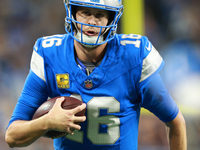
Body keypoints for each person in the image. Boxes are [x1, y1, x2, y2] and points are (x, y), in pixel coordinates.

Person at [5, 0, 186, 149]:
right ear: (72, 12)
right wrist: (46, 122)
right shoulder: (50, 55)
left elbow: (174, 121)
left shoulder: (133, 57)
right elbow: (13, 136)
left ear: (111, 19)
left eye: (100, 14)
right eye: (85, 12)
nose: (91, 21)